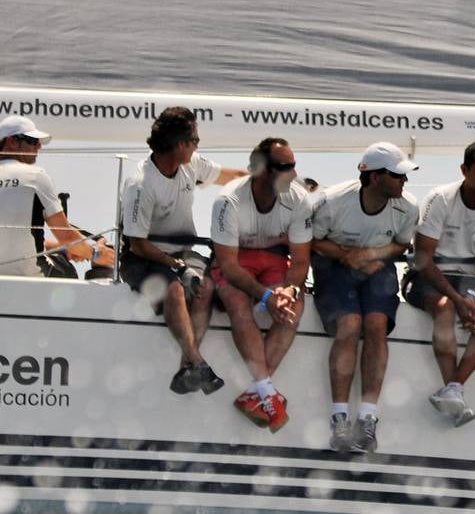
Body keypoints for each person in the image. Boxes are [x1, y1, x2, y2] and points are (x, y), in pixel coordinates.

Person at [120, 107, 248, 395]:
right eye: (195, 142)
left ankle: (186, 370)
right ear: (181, 145)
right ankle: (198, 361)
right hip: (142, 256)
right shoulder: (140, 184)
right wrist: (178, 266)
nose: (197, 147)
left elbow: (233, 176)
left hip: (181, 253)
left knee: (204, 287)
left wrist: (278, 183)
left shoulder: (192, 165)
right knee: (177, 290)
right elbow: (137, 244)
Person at [310, 142, 419, 454]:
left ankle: (368, 418)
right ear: (374, 177)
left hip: (377, 265)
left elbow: (400, 245)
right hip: (333, 264)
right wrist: (348, 256)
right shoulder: (332, 201)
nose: (404, 182)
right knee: (350, 323)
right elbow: (314, 241)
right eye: (398, 176)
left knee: (375, 323)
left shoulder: (408, 207)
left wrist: (371, 255)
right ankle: (339, 417)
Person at [405, 141, 475, 427]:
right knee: (443, 308)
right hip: (432, 275)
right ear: (464, 169)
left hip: (471, 282)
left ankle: (454, 388)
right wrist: (457, 299)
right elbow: (423, 259)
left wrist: (471, 296)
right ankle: (451, 388)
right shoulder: (439, 198)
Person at [210, 137, 312, 432]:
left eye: (293, 166)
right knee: (237, 301)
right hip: (237, 262)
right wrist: (266, 296)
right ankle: (268, 392)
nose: (292, 174)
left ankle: (258, 393)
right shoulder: (228, 201)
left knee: (295, 303)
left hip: (274, 261)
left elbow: (301, 262)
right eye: (284, 168)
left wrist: (288, 291)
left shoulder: (299, 198)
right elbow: (228, 266)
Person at [0, 116, 100, 277]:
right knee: (67, 270)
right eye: (32, 141)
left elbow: (10, 239)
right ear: (11, 142)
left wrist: (63, 247)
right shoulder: (34, 176)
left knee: (59, 255)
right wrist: (96, 253)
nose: (39, 146)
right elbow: (66, 235)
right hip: (29, 276)